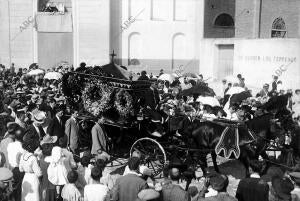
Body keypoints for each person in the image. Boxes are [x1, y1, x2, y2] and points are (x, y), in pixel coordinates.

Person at [7, 126, 24, 201]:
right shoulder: (23, 147)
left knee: (13, 190)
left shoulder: (10, 145)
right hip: (19, 170)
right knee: (20, 190)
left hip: (11, 169)